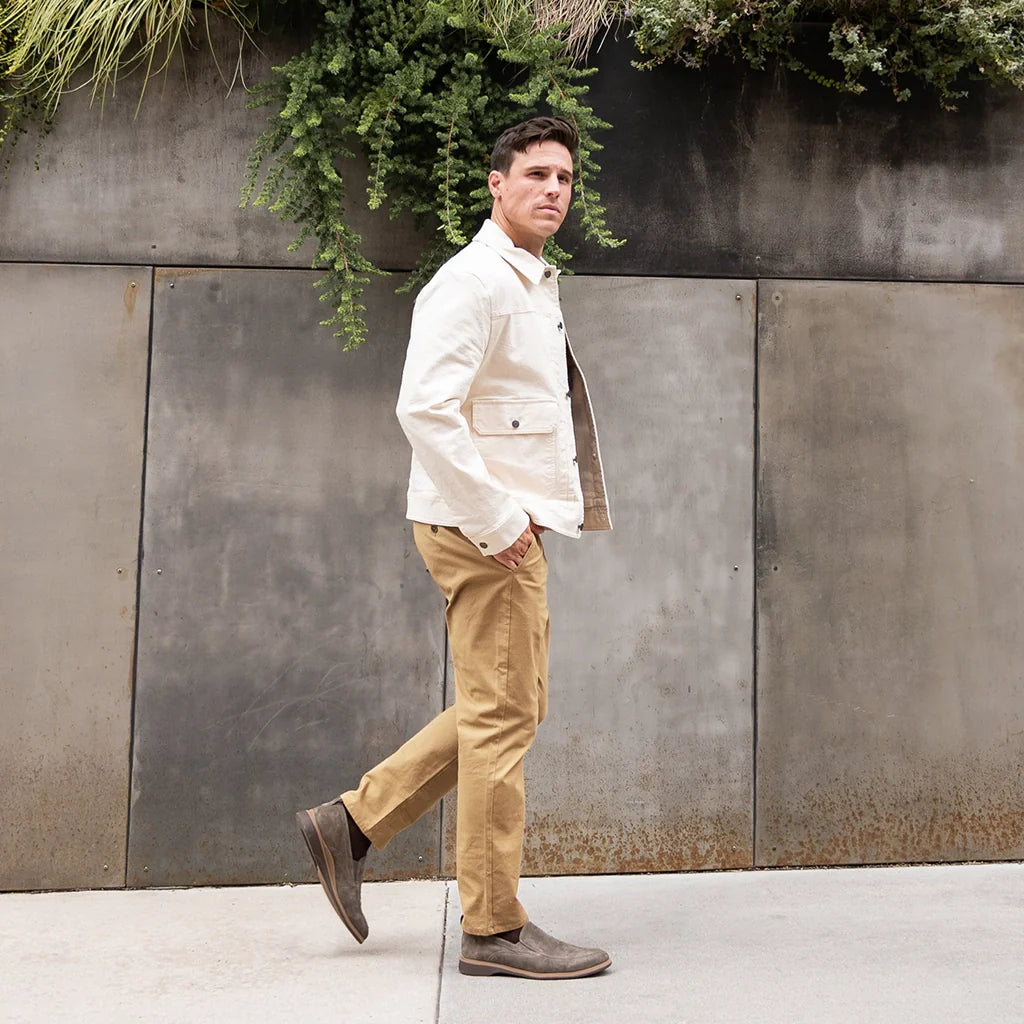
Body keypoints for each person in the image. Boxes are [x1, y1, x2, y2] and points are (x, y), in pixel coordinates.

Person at [296, 115, 612, 980]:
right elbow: (423, 409)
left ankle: (352, 824)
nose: (554, 189)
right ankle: (493, 929)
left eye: (565, 178)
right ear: (495, 184)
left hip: (496, 526)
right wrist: (500, 519)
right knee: (505, 718)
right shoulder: (475, 280)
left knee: (509, 708)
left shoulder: (525, 278)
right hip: (485, 533)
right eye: (537, 174)